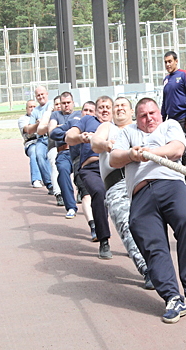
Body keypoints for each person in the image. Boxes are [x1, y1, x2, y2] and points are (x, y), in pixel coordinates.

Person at [109, 98, 186, 324]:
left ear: (159, 113)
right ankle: (172, 297)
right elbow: (114, 159)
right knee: (152, 244)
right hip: (141, 194)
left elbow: (178, 148)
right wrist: (132, 155)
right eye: (143, 115)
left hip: (171, 184)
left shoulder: (169, 126)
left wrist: (152, 152)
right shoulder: (128, 133)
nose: (149, 118)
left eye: (152, 113)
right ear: (136, 118)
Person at [91, 97, 154, 289]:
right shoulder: (107, 127)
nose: (119, 109)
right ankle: (148, 270)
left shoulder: (139, 129)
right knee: (127, 226)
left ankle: (159, 265)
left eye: (123, 106)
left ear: (132, 111)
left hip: (141, 182)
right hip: (117, 184)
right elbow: (95, 142)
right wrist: (107, 145)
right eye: (115, 106)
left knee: (150, 227)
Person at [65, 96, 113, 260]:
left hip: (114, 168)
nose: (104, 110)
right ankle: (104, 240)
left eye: (108, 107)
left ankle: (135, 242)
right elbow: (68, 137)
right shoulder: (87, 120)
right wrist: (80, 137)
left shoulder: (116, 125)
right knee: (99, 193)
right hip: (91, 168)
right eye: (101, 107)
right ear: (96, 110)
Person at [50, 101, 96, 241]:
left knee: (101, 198)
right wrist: (70, 135)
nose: (87, 113)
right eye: (85, 110)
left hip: (99, 163)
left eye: (90, 111)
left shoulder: (99, 125)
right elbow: (54, 133)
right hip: (77, 162)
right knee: (86, 195)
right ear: (80, 112)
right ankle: (78, 212)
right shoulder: (73, 124)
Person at [161, 51, 186, 196]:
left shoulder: (183, 75)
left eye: (170, 61)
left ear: (176, 61)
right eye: (165, 62)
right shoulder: (166, 79)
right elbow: (165, 102)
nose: (168, 64)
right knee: (176, 155)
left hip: (183, 119)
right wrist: (161, 120)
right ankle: (182, 185)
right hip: (171, 121)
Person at [47, 91, 79, 219]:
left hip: (78, 151)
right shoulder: (55, 114)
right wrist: (71, 128)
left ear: (73, 103)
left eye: (68, 103)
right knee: (62, 171)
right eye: (63, 103)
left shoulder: (79, 114)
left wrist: (61, 128)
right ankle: (71, 206)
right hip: (63, 152)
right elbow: (51, 131)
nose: (66, 105)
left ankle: (83, 194)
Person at [37, 94, 64, 206]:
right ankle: (58, 193)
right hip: (54, 146)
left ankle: (80, 191)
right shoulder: (50, 116)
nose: (59, 106)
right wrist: (52, 127)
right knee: (54, 165)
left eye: (60, 104)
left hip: (71, 146)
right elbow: (39, 130)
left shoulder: (71, 115)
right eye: (56, 104)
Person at [27, 86, 53, 194]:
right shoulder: (35, 111)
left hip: (52, 138)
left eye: (42, 94)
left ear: (47, 94)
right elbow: (29, 129)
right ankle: (49, 184)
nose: (41, 96)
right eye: (38, 95)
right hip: (41, 139)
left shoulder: (52, 104)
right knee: (39, 155)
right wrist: (38, 123)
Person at [18, 100, 43, 188]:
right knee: (34, 152)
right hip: (31, 143)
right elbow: (27, 130)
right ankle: (36, 179)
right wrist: (38, 124)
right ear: (26, 109)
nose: (32, 109)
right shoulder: (23, 119)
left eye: (34, 107)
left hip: (44, 141)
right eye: (30, 107)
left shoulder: (42, 116)